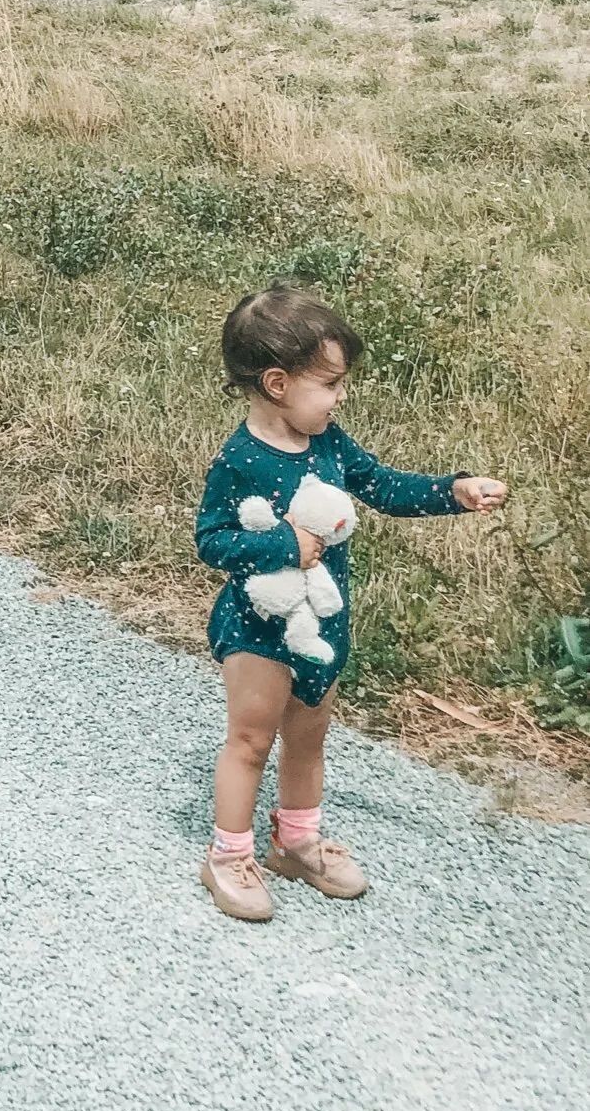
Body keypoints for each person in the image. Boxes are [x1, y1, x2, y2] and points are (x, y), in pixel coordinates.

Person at [195, 286, 506, 921]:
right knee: (251, 740)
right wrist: (287, 541)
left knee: (309, 737)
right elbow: (213, 541)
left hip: (325, 624)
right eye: (330, 384)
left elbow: (385, 487)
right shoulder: (239, 461)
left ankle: (296, 841)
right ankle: (228, 856)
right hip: (258, 627)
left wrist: (454, 490)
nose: (340, 398)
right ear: (277, 382)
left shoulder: (332, 444)